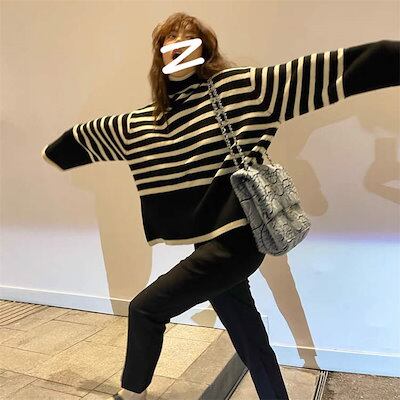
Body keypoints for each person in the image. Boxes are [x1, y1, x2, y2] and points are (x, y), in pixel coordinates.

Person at [41, 11, 400, 400]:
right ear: (159, 55)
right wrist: (59, 152)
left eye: (188, 39)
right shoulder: (152, 120)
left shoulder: (242, 89)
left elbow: (327, 70)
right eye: (169, 41)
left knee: (146, 309)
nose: (178, 46)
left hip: (237, 242)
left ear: (204, 49)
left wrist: (389, 57)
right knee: (249, 337)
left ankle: (130, 395)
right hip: (210, 244)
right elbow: (102, 132)